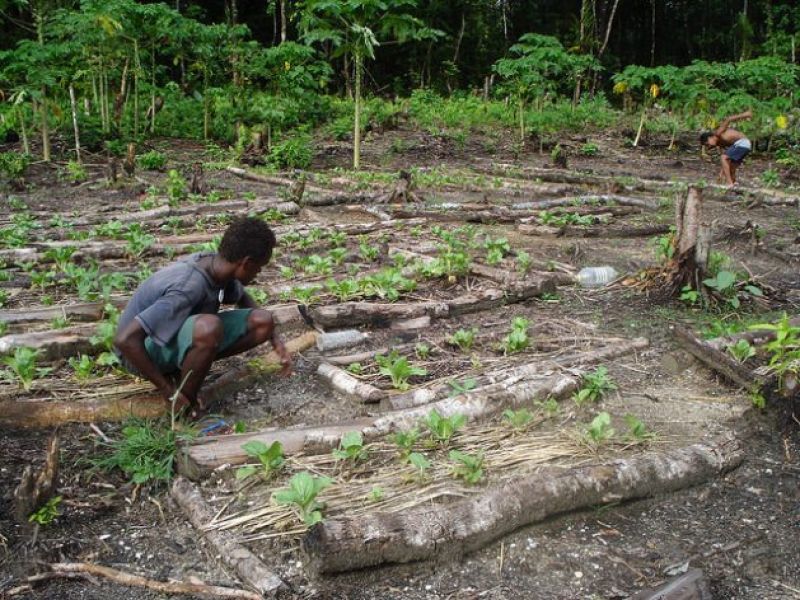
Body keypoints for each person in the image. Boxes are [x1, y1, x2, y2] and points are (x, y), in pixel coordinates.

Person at [114, 216, 292, 418]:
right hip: (137, 354)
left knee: (263, 322)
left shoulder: (219, 267)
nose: (259, 273)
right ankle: (184, 406)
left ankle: (188, 369)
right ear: (246, 263)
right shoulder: (188, 287)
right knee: (208, 327)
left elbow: (242, 296)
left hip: (168, 337)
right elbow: (125, 340)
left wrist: (275, 340)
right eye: (259, 267)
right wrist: (167, 391)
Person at [699, 109, 753, 187]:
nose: (709, 147)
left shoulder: (718, 133)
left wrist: (745, 114)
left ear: (710, 137)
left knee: (723, 158)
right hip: (744, 146)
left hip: (743, 142)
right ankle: (734, 185)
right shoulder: (720, 144)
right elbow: (725, 163)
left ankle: (729, 183)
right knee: (731, 167)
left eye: (707, 144)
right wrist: (721, 174)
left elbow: (729, 119)